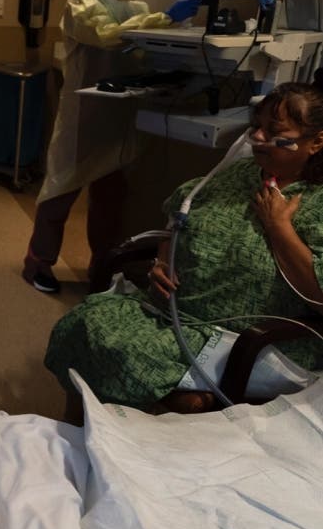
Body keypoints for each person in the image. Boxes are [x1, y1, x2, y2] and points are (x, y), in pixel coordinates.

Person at [44, 81, 323, 417]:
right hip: (175, 314)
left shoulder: (317, 203)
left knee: (128, 354)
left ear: (316, 141)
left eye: (274, 131)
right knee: (86, 322)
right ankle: (82, 435)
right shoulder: (236, 176)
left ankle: (170, 412)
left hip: (249, 342)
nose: (259, 138)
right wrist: (162, 262)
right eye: (256, 127)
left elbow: (317, 294)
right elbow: (180, 216)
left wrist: (279, 228)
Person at [21, 0, 202, 294]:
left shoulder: (138, 9)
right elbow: (106, 35)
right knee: (60, 193)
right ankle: (38, 262)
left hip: (121, 118)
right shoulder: (80, 4)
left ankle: (101, 268)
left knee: (109, 204)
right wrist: (164, 19)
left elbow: (142, 49)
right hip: (84, 115)